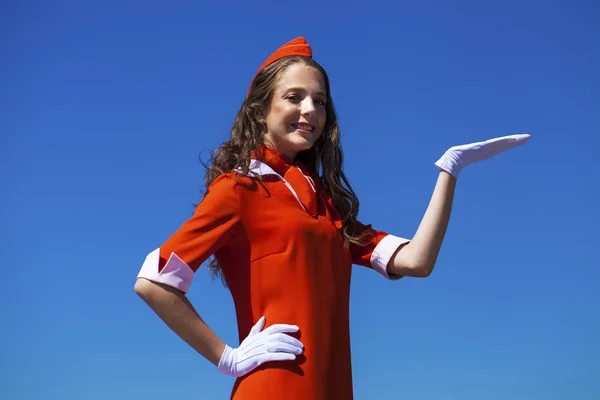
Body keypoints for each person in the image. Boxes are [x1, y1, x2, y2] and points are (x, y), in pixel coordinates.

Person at [134, 37, 530, 399]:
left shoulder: (327, 208)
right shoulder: (239, 188)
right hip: (272, 388)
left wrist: (450, 169)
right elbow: (154, 281)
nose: (310, 110)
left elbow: (416, 261)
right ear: (260, 109)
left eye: (319, 101)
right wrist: (228, 357)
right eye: (294, 97)